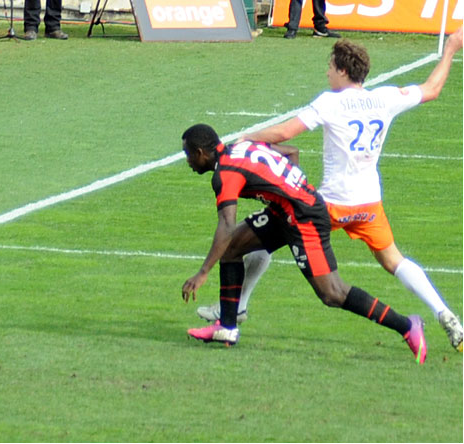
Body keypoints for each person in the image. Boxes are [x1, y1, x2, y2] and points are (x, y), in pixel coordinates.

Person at [200, 28, 464, 352]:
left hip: (328, 207)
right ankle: (443, 310)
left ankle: (236, 307)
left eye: (329, 66)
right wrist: (451, 47)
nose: (326, 72)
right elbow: (432, 89)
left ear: (342, 70)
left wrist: (245, 139)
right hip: (369, 205)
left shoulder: (331, 102)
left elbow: (284, 132)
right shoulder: (386, 97)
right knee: (395, 260)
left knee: (255, 241)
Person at [180, 124, 427, 364]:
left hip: (304, 217)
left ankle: (407, 326)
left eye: (188, 155)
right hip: (288, 210)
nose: (188, 162)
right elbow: (291, 152)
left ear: (201, 153)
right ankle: (227, 328)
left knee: (332, 293)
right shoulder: (240, 147)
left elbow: (226, 225)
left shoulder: (225, 174)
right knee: (232, 249)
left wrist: (202, 273)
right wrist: (286, 191)